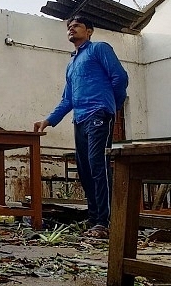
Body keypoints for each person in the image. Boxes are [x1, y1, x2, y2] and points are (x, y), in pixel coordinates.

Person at [34, 15, 128, 239]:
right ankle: (95, 220)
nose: (71, 29)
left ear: (90, 31)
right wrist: (48, 120)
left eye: (76, 26)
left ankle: (104, 222)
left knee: (98, 166)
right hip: (80, 119)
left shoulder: (99, 49)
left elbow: (120, 77)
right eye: (69, 27)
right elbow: (68, 99)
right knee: (85, 171)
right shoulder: (72, 64)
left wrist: (110, 104)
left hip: (98, 114)